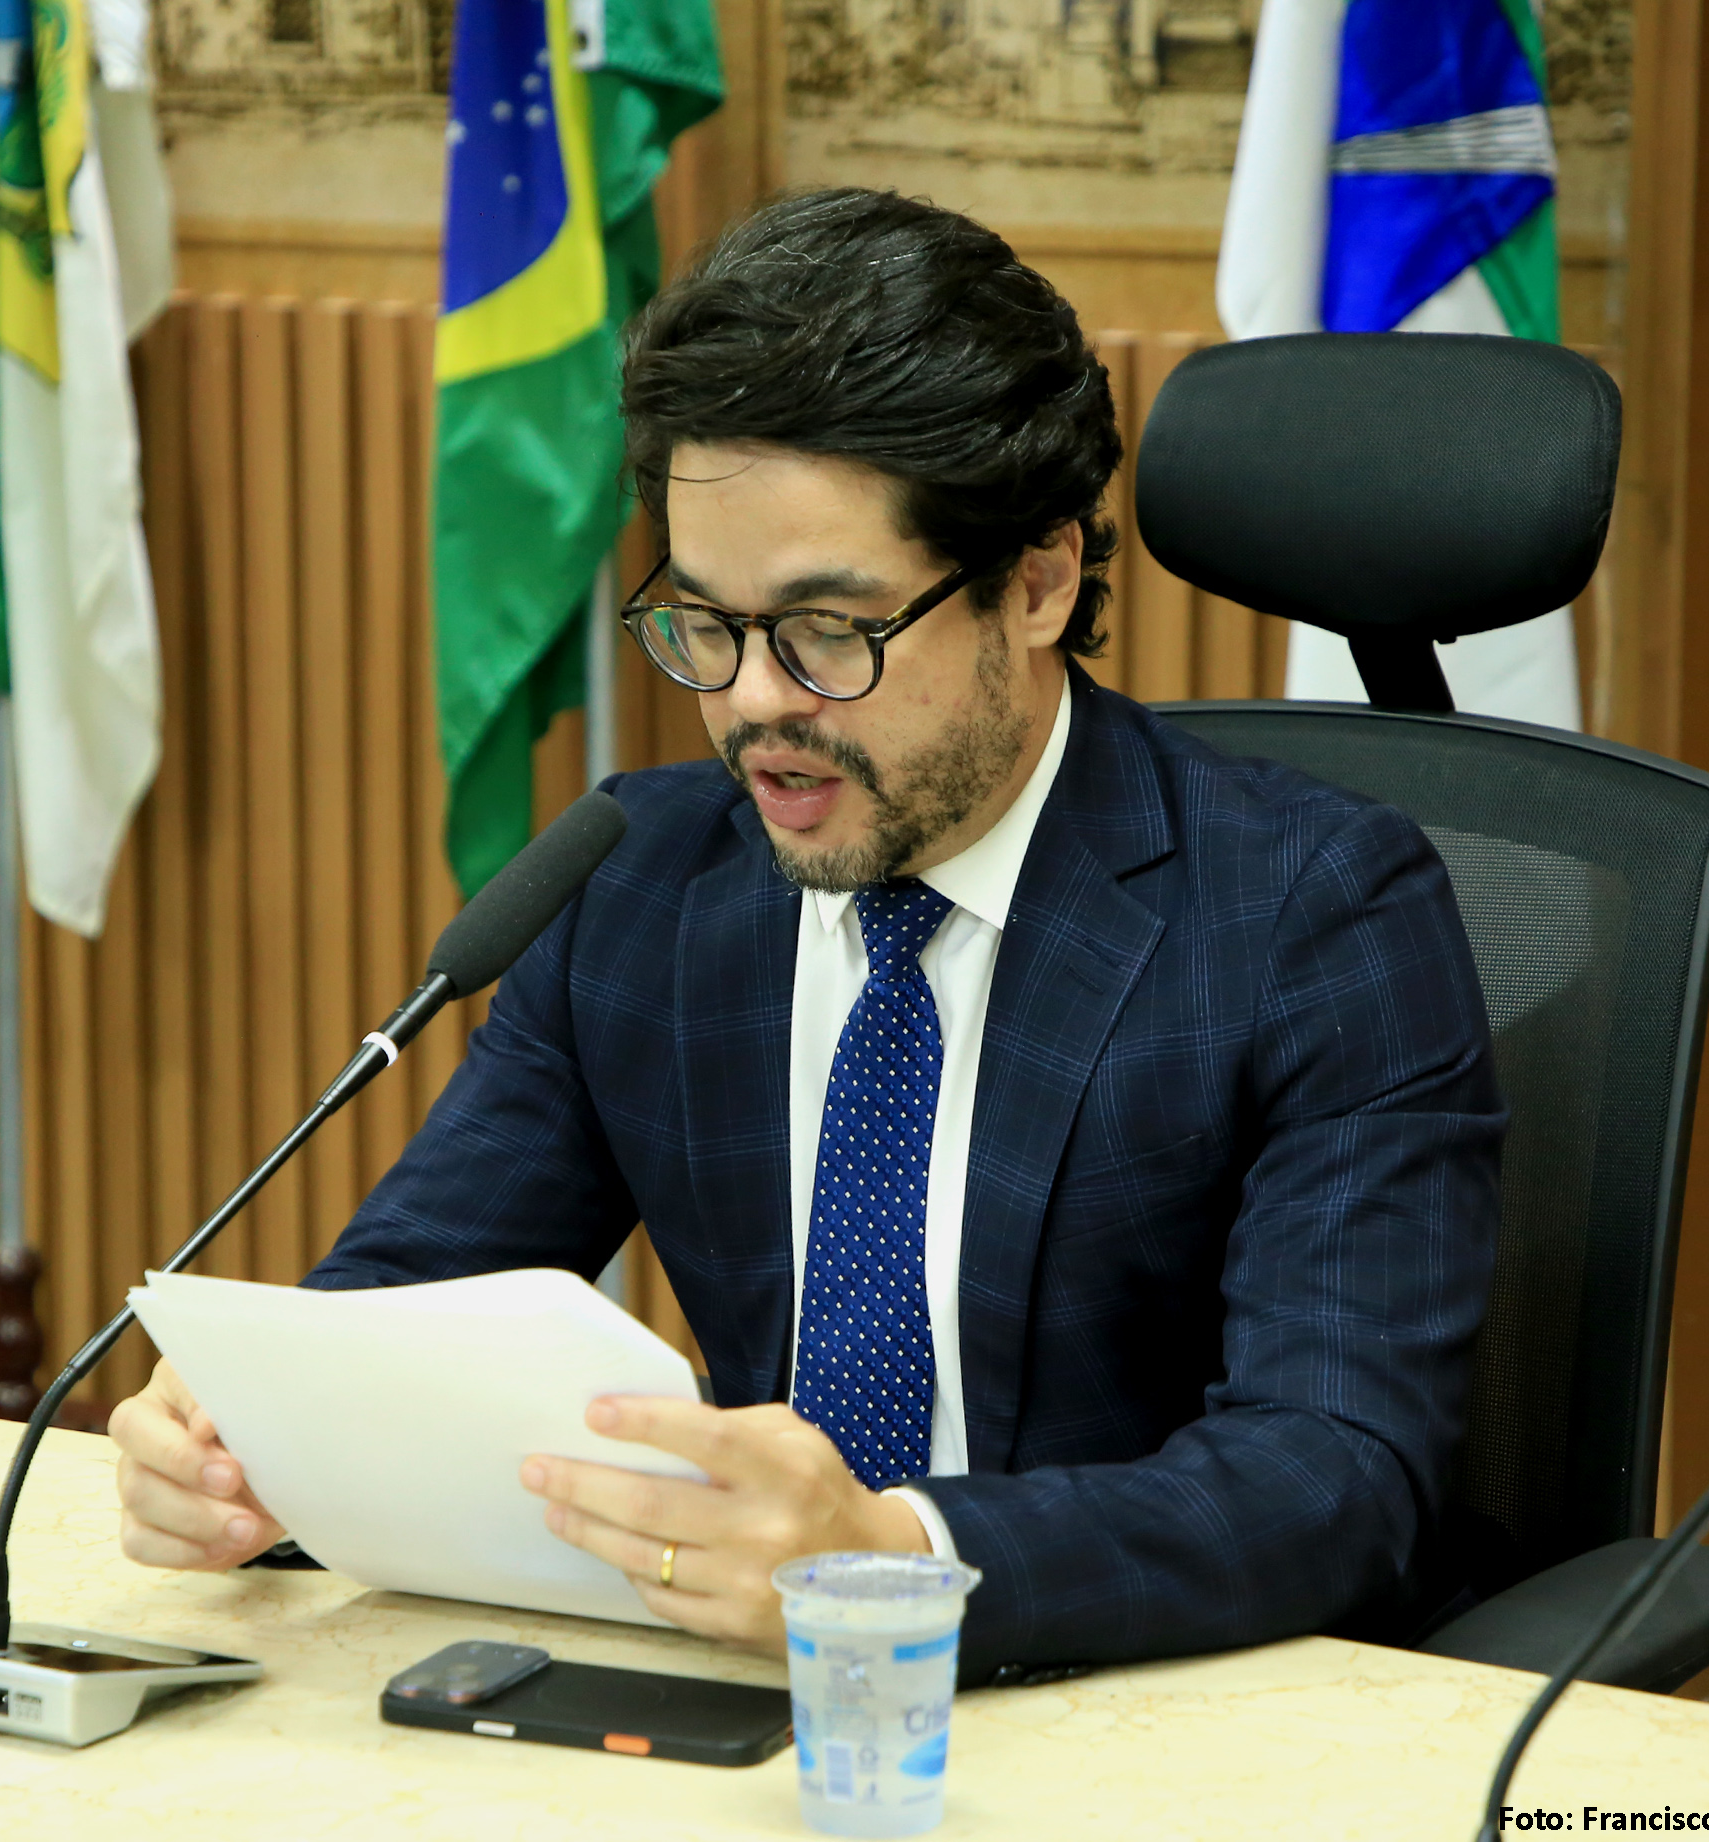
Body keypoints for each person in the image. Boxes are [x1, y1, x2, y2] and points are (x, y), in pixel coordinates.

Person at [109, 187, 1504, 1684]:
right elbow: (412, 1314)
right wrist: (254, 1444)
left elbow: (1333, 1471)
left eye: (829, 630)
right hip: (744, 1712)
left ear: (1037, 581)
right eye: (707, 623)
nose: (753, 703)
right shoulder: (639, 883)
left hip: (1157, 1708)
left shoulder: (1314, 912)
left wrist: (895, 1556)